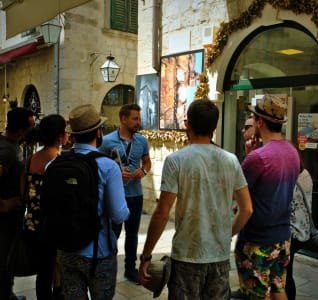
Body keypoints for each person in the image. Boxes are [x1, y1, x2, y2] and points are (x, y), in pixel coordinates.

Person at [138, 99, 253, 299]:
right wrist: (226, 234)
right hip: (218, 256)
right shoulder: (231, 160)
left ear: (187, 124)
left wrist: (146, 255)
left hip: (186, 257)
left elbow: (163, 212)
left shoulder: (176, 161)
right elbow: (247, 209)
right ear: (215, 127)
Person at [56, 104, 130, 299]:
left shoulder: (54, 164)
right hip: (99, 252)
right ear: (98, 132)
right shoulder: (107, 166)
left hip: (65, 249)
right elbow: (119, 215)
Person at [232, 94, 300, 300]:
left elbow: (239, 193)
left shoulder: (257, 158)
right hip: (282, 238)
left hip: (257, 241)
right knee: (279, 289)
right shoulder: (292, 152)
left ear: (260, 122)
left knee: (257, 295)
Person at [99, 104, 151, 284]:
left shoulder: (142, 141)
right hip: (115, 195)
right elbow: (99, 166)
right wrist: (115, 174)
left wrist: (143, 172)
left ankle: (130, 269)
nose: (138, 122)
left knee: (132, 235)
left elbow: (147, 162)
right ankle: (108, 269)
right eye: (135, 118)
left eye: (139, 118)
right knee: (112, 234)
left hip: (135, 195)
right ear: (123, 119)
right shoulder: (106, 142)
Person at [24, 114, 69, 299]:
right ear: (60, 136)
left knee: (43, 273)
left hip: (34, 223)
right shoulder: (61, 161)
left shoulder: (32, 159)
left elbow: (24, 192)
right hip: (55, 226)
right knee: (58, 270)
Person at [0, 107, 32, 300]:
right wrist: (3, 205)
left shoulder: (9, 145)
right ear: (21, 130)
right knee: (4, 260)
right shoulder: (7, 151)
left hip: (9, 218)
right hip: (4, 219)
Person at [285, 163, 313, 300]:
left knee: (285, 272)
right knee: (287, 269)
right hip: (303, 230)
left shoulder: (290, 180)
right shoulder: (305, 173)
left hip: (293, 231)